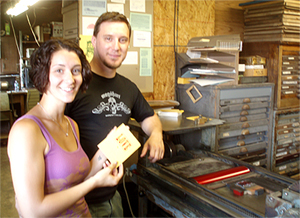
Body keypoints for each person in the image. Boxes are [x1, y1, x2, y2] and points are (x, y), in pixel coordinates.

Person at [7, 39, 124, 218]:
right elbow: (33, 212)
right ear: (42, 74)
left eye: (75, 70)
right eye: (59, 70)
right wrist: (94, 183)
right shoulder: (26, 130)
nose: (70, 79)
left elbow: (75, 182)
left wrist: (106, 149)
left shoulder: (71, 124)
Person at [65, 12, 164, 217]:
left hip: (112, 197)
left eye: (123, 40)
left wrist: (156, 135)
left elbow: (149, 117)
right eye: (108, 38)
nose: (116, 46)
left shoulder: (129, 88)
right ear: (93, 41)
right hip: (78, 200)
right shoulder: (72, 85)